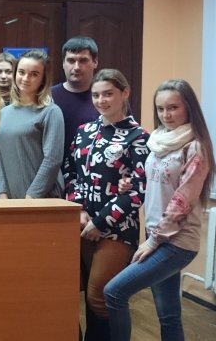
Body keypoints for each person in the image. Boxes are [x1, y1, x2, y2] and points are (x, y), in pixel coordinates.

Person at [104, 79, 216, 341]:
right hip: (157, 236)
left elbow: (182, 201)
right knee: (169, 316)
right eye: (161, 108)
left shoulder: (194, 147)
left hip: (175, 243)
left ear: (188, 108)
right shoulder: (159, 141)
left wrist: (153, 241)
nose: (166, 114)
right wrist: (131, 183)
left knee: (114, 292)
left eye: (173, 107)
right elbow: (157, 182)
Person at [62, 69, 150, 340]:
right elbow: (71, 172)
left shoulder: (139, 136)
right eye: (96, 95)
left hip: (117, 229)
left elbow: (139, 188)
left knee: (99, 297)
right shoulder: (85, 131)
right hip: (83, 224)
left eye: (108, 94)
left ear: (125, 93)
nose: (101, 100)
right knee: (88, 298)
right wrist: (79, 210)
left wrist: (101, 222)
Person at [0, 49, 64, 199]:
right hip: (11, 198)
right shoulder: (4, 113)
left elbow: (52, 160)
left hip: (42, 198)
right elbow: (2, 159)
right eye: (21, 72)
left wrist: (31, 196)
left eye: (34, 74)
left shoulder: (51, 112)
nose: (26, 78)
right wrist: (2, 194)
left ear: (43, 79)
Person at [51, 36, 100, 157]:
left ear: (95, 62)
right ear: (63, 63)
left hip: (94, 167)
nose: (77, 67)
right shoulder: (47, 97)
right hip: (54, 168)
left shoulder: (108, 99)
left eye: (83, 60)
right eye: (71, 61)